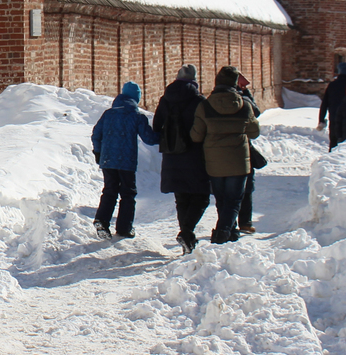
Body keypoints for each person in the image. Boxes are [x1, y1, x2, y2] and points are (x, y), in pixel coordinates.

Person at [190, 65, 260, 244]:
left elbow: (196, 136)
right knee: (234, 199)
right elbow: (254, 132)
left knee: (222, 200)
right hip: (239, 161)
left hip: (214, 162)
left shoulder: (205, 105)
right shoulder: (244, 105)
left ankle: (231, 230)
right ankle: (223, 231)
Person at [91, 81, 159, 239]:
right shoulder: (136, 116)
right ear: (136, 98)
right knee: (128, 194)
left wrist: (98, 152)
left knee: (109, 190)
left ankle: (101, 220)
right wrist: (163, 136)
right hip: (126, 162)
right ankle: (124, 227)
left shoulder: (108, 114)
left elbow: (96, 134)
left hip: (107, 160)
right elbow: (148, 138)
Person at [153, 64, 208, 254]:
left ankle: (187, 237)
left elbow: (156, 125)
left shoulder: (165, 99)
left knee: (181, 198)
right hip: (194, 154)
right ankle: (186, 232)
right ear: (194, 80)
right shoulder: (199, 101)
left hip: (171, 155)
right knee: (201, 197)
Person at [236, 74, 263, 234]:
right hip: (243, 148)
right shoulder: (244, 102)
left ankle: (228, 223)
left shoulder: (213, 100)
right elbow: (256, 114)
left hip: (218, 149)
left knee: (226, 189)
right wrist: (246, 93)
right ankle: (245, 222)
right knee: (246, 185)